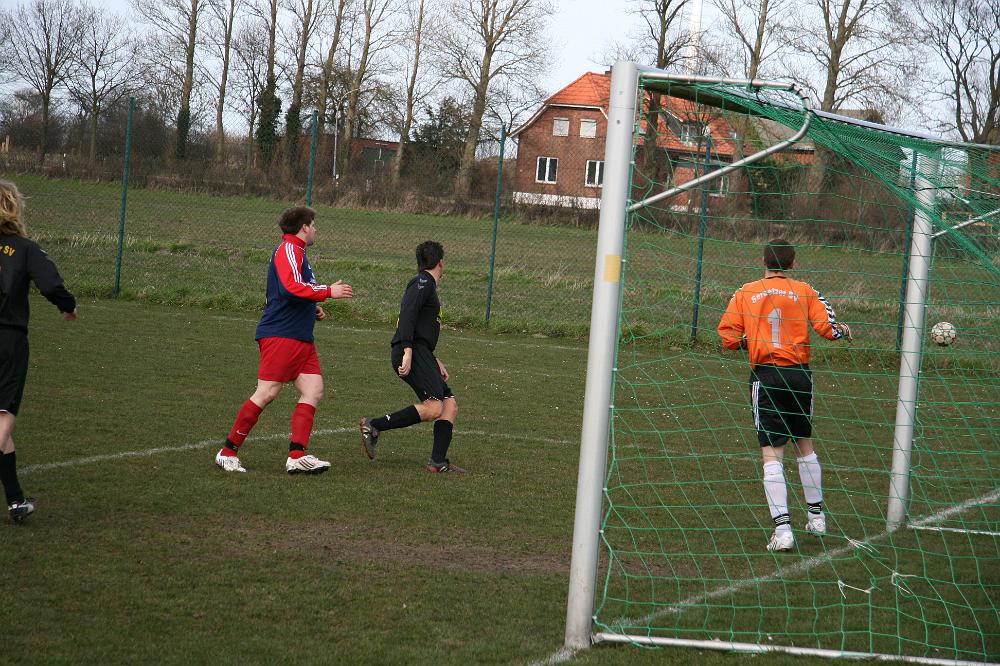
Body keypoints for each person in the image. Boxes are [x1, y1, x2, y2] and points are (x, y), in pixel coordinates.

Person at [717, 239, 852, 552]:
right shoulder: (805, 289)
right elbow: (827, 329)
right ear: (793, 264)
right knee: (804, 443)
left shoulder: (745, 291)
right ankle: (817, 518)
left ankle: (783, 531)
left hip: (767, 375)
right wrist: (842, 329)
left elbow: (728, 336)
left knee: (771, 452)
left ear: (763, 261)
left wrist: (753, 342)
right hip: (799, 375)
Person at [216, 206, 352, 474]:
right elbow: (290, 286)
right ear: (303, 227)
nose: (315, 230)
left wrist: (312, 308)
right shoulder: (289, 249)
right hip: (281, 333)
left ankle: (296, 455)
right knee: (267, 392)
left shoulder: (299, 253)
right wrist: (328, 292)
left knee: (313, 389)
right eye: (313, 225)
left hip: (300, 336)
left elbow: (293, 291)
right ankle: (228, 451)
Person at [0, 180, 77, 523]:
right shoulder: (25, 249)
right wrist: (67, 305)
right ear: (14, 207)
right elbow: (50, 283)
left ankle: (16, 500)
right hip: (8, 342)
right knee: (3, 418)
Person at [359, 241, 466, 473]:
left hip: (420, 351)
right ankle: (373, 425)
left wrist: (432, 358)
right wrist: (408, 351)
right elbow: (407, 316)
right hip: (411, 351)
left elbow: (418, 325)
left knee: (449, 405)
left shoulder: (425, 284)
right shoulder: (423, 282)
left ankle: (437, 461)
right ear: (440, 262)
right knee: (435, 407)